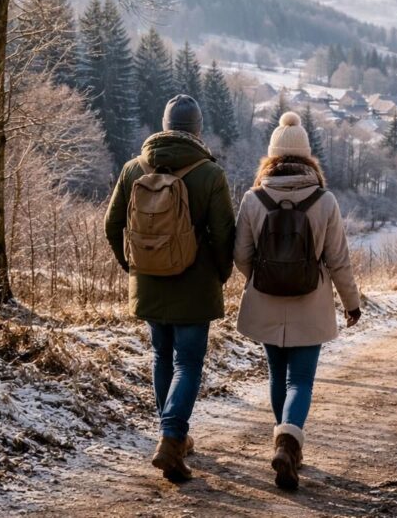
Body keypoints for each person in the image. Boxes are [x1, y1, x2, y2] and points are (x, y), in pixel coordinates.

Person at [104, 94, 235, 482]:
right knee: (188, 363)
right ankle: (173, 436)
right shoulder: (210, 174)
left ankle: (171, 434)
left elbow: (112, 225)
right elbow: (224, 233)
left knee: (162, 356)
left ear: (164, 126)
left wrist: (132, 266)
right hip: (195, 284)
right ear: (198, 130)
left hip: (148, 281)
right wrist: (221, 273)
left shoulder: (133, 169)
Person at [233, 111, 361, 491]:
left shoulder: (253, 198)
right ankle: (288, 442)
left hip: (265, 302)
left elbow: (240, 254)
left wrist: (261, 278)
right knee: (301, 380)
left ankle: (283, 440)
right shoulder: (325, 200)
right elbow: (338, 260)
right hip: (311, 304)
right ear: (308, 157)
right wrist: (351, 303)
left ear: (271, 156)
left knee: (278, 376)